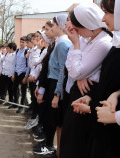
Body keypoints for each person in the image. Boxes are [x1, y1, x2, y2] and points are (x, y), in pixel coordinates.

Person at [71, 1, 120, 157]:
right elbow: (110, 83)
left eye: (106, 12)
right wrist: (91, 97)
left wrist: (114, 115)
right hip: (104, 123)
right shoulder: (116, 45)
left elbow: (78, 71)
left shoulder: (105, 42)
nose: (103, 19)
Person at [33, 14, 72, 156]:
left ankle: (57, 151)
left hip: (56, 84)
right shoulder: (59, 43)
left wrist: (57, 93)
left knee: (57, 121)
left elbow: (62, 69)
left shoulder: (63, 44)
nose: (51, 28)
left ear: (60, 26)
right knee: (54, 120)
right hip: (52, 83)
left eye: (54, 25)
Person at [9, 36, 28, 113]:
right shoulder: (17, 51)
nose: (21, 43)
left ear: (26, 43)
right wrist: (13, 73)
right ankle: (15, 103)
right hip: (17, 72)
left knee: (23, 91)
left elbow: (28, 65)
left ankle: (21, 106)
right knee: (15, 89)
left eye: (23, 42)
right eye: (20, 42)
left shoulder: (27, 51)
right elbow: (15, 63)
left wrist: (26, 76)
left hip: (23, 73)